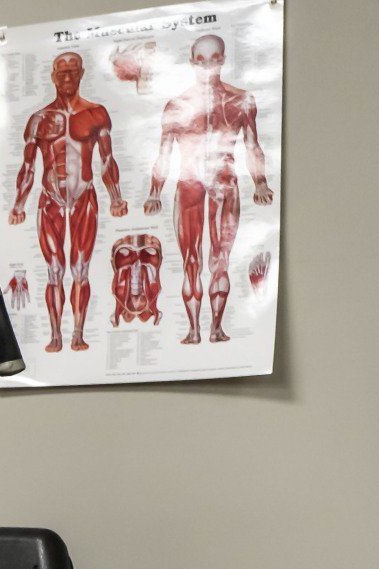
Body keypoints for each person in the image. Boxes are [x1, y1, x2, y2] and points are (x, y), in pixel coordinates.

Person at [141, 34, 275, 344]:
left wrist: (261, 182)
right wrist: (154, 191)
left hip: (224, 182)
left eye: (214, 58)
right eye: (201, 60)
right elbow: (164, 153)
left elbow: (252, 144)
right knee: (191, 261)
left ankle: (215, 328)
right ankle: (193, 329)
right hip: (188, 186)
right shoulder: (176, 105)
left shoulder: (241, 100)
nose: (207, 66)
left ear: (223, 60)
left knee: (220, 259)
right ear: (192, 63)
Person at [9, 51, 129, 353]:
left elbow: (107, 159)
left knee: (80, 269)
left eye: (72, 72)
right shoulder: (39, 119)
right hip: (49, 199)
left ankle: (76, 333)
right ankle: (54, 335)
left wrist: (116, 198)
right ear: (52, 76)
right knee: (53, 269)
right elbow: (28, 167)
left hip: (84, 197)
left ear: (81, 74)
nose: (66, 78)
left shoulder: (96, 113)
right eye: (61, 73)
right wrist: (19, 204)